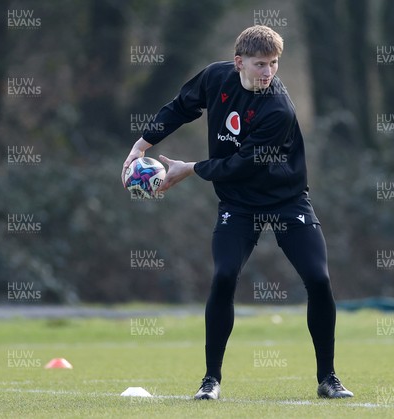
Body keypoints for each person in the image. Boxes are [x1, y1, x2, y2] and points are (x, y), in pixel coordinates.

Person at [121, 25, 353, 400]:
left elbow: (243, 164)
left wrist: (190, 169)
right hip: (238, 205)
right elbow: (182, 106)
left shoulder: (278, 108)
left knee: (319, 279)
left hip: (285, 200)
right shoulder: (216, 78)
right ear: (238, 62)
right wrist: (141, 145)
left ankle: (328, 378)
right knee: (224, 276)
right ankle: (210, 381)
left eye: (274, 64)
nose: (268, 72)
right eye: (260, 64)